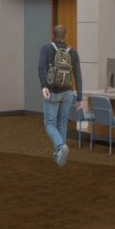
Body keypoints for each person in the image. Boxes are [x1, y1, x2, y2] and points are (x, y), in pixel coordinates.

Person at [38, 25, 83, 166]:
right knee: (62, 123)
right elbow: (78, 76)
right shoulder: (73, 52)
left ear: (52, 35)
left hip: (52, 91)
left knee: (49, 124)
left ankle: (60, 147)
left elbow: (41, 68)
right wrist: (80, 97)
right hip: (68, 92)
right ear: (66, 36)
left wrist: (44, 86)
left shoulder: (46, 48)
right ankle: (59, 156)